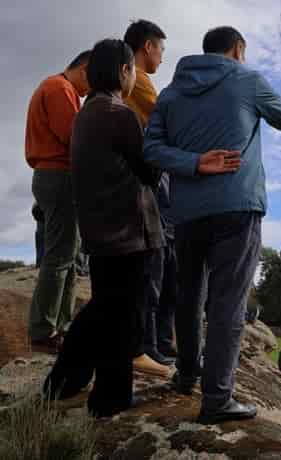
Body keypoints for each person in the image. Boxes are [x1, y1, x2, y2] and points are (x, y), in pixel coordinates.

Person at [143, 26, 281, 424]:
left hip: (185, 212)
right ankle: (217, 399)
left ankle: (186, 375)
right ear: (238, 50)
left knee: (189, 296)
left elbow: (150, 149)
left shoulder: (170, 93)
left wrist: (193, 163)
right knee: (227, 304)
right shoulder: (247, 80)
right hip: (237, 207)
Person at [41, 39, 163, 417]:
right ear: (123, 72)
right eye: (130, 71)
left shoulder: (85, 113)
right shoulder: (120, 113)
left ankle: (64, 381)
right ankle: (109, 399)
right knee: (121, 318)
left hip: (100, 231)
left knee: (104, 310)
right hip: (129, 232)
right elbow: (149, 172)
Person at [25, 49, 91, 354]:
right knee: (60, 257)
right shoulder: (59, 88)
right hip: (59, 176)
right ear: (84, 68)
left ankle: (60, 327)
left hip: (55, 176)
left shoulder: (59, 88)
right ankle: (43, 330)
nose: (91, 87)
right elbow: (73, 137)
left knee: (68, 256)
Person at [123, 19, 176, 374]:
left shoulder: (134, 82)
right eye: (160, 49)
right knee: (157, 258)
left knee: (161, 259)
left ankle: (156, 342)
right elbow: (167, 120)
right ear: (147, 47)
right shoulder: (140, 82)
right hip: (149, 177)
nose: (161, 56)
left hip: (144, 177)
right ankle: (148, 345)